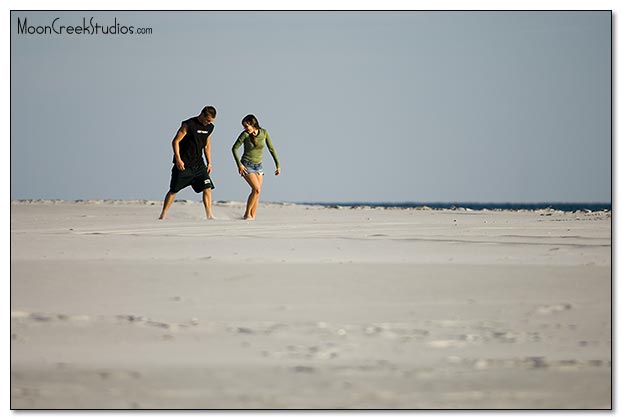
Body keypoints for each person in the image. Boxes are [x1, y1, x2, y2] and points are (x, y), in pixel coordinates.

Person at [159, 106, 217, 220]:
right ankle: (163, 215)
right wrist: (178, 159)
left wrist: (209, 162)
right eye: (208, 120)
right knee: (173, 190)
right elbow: (175, 141)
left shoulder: (210, 127)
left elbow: (207, 145)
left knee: (207, 187)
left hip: (199, 165)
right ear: (202, 115)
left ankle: (209, 215)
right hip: (184, 165)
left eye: (211, 121)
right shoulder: (188, 124)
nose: (209, 123)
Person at [231, 114, 281, 220]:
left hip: (259, 166)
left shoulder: (264, 133)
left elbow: (271, 149)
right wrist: (239, 165)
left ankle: (252, 216)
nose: (245, 128)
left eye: (246, 126)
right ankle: (246, 214)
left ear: (253, 124)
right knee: (256, 189)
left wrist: (278, 165)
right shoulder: (245, 135)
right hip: (246, 165)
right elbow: (234, 149)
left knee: (257, 192)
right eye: (244, 126)